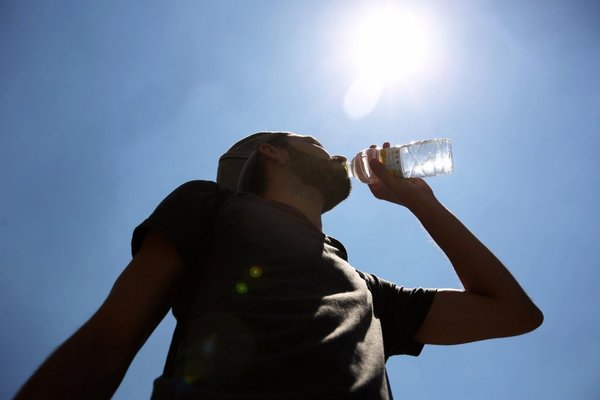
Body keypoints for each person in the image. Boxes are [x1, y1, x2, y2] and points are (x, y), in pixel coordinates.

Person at [15, 131, 543, 399]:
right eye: (312, 142)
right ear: (274, 152)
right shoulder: (212, 204)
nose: (332, 151)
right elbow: (108, 340)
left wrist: (420, 201)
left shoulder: (364, 288)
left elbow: (514, 314)